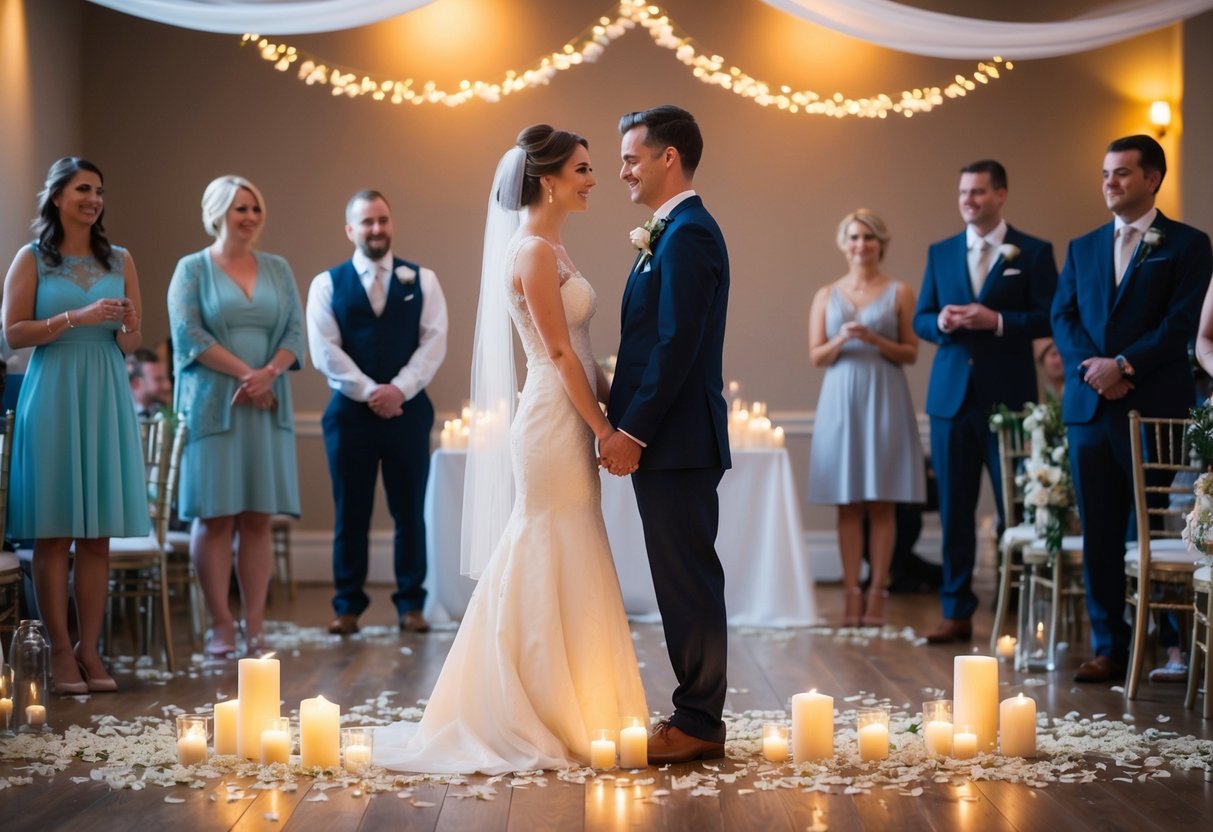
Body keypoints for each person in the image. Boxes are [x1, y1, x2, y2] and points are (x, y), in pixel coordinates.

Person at [375, 125, 646, 774]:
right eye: (583, 169)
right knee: (544, 539)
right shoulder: (530, 252)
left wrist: (621, 409)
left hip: (572, 410)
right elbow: (556, 355)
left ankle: (579, 699)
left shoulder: (553, 247)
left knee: (573, 541)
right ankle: (524, 704)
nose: (594, 179)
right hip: (552, 419)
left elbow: (581, 352)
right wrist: (603, 429)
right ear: (548, 179)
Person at [1053, 135, 1213, 683]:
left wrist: (1123, 365)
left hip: (1152, 406)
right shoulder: (1082, 246)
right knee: (1098, 527)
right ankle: (1110, 646)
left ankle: (1166, 638)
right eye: (1105, 173)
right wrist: (1095, 370)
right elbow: (1063, 317)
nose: (1110, 182)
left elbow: (1182, 321)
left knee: (1145, 523)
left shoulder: (1188, 244)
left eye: (1121, 172)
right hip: (1089, 409)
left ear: (1152, 178)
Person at [600, 105, 730, 764]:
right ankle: (694, 712)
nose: (623, 170)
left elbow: (676, 346)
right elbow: (652, 342)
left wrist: (632, 431)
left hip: (676, 441)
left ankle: (699, 721)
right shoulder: (672, 232)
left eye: (631, 158)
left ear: (667, 157)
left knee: (689, 581)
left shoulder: (689, 236)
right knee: (679, 578)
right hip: (670, 440)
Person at [2, 156, 148, 693]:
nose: (94, 199)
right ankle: (59, 652)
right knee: (54, 530)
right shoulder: (32, 258)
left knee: (96, 535)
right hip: (54, 391)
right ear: (58, 196)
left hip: (105, 391)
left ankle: (91, 648)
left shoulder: (121, 259)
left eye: (99, 191)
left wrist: (128, 325)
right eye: (83, 189)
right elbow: (12, 334)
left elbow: (132, 342)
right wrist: (76, 318)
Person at [913, 159, 1058, 644]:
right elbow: (921, 317)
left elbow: (1050, 316)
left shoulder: (1033, 252)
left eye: (977, 192)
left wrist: (995, 320)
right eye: (963, 193)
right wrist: (941, 322)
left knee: (1015, 509)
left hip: (1008, 403)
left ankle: (1015, 607)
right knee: (954, 511)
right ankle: (955, 611)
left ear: (1000, 194)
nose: (968, 200)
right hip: (950, 400)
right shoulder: (941, 251)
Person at [167, 175, 304, 658]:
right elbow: (188, 334)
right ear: (217, 213)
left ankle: (256, 625)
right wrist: (249, 374)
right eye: (239, 208)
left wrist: (269, 374)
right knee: (215, 517)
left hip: (266, 406)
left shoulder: (278, 268)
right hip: (214, 408)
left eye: (254, 208)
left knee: (258, 517)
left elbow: (295, 332)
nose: (249, 217)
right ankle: (220, 625)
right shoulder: (191, 269)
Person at [306, 190, 447, 636]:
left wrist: (399, 390)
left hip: (409, 410)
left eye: (382, 220)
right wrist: (371, 392)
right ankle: (347, 605)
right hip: (349, 415)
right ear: (350, 230)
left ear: (391, 224)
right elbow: (324, 351)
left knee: (410, 510)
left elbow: (434, 342)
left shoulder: (423, 280)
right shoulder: (327, 284)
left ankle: (411, 604)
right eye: (366, 222)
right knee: (351, 511)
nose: (376, 228)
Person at [807, 210, 925, 627]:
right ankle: (850, 595)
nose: (862, 244)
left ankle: (878, 593)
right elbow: (816, 355)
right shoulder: (826, 294)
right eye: (855, 237)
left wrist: (874, 338)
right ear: (844, 244)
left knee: (881, 500)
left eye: (869, 237)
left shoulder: (899, 292)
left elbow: (911, 351)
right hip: (841, 399)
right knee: (848, 503)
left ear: (881, 244)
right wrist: (842, 339)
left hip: (884, 397)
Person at [126, 346, 172, 420]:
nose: (168, 385)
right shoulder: (121, 414)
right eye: (158, 379)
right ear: (136, 384)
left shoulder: (162, 412)